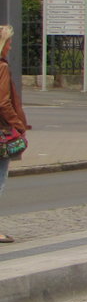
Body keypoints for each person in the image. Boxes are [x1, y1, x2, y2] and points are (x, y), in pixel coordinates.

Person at [0, 25, 30, 243]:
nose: (11, 47)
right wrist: (18, 125)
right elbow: (3, 101)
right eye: (8, 42)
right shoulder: (1, 67)